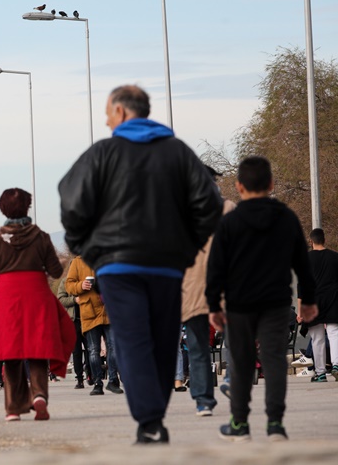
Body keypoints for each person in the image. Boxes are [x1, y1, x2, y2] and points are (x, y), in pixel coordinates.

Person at [59, 85, 222, 444]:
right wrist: (189, 247)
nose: (105, 120)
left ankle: (149, 420)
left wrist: (87, 249)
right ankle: (153, 416)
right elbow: (209, 203)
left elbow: (71, 201)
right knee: (164, 340)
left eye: (107, 112)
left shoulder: (102, 154)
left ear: (120, 112)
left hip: (118, 268)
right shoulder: (179, 153)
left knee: (132, 340)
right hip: (167, 266)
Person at [206, 155, 318, 441]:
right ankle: (275, 424)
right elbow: (302, 265)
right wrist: (307, 299)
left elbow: (216, 267)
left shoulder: (230, 223)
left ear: (239, 186)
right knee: (274, 361)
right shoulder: (286, 218)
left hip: (239, 305)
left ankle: (240, 424)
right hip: (276, 302)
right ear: (270, 184)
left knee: (241, 363)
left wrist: (214, 304)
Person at [0, 187, 75, 422]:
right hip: (37, 295)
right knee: (38, 349)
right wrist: (56, 260)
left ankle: (13, 408)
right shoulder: (40, 237)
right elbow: (56, 271)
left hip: (6, 298)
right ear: (27, 207)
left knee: (11, 353)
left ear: (2, 209)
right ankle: (39, 395)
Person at [180, 165, 236, 416]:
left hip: (192, 290)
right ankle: (233, 379)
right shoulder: (229, 209)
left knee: (198, 346)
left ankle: (203, 400)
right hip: (227, 285)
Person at [65, 256, 122, 396]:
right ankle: (98, 382)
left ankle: (113, 381)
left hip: (108, 309)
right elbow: (69, 285)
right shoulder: (77, 261)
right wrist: (81, 286)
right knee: (93, 350)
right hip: (89, 311)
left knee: (113, 346)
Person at [305, 228, 338, 383]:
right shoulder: (335, 257)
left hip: (313, 301)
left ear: (311, 241)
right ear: (324, 239)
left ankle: (320, 373)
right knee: (334, 333)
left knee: (317, 338)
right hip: (333, 299)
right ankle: (337, 365)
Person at [56, 271, 88, 389]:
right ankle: (79, 378)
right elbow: (60, 299)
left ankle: (90, 372)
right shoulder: (65, 281)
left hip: (87, 319)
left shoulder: (86, 279)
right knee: (77, 351)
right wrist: (74, 300)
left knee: (91, 348)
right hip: (72, 321)